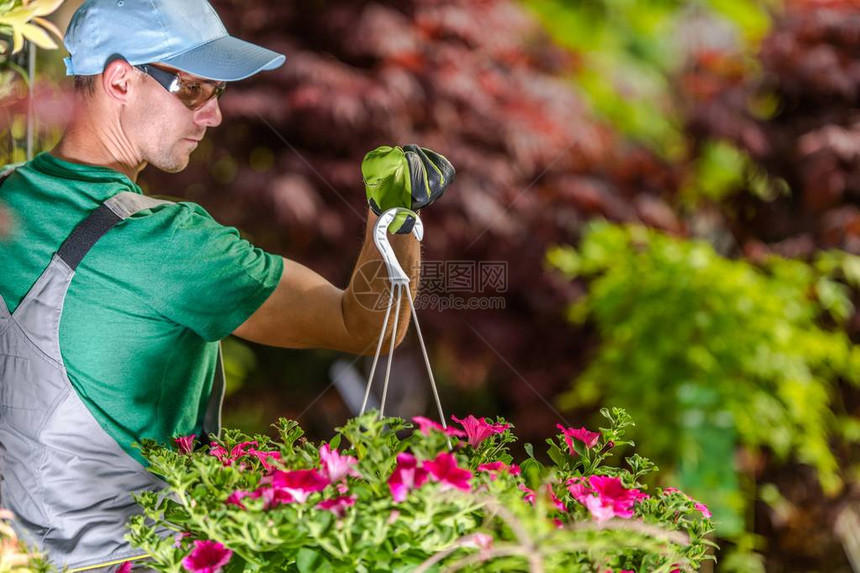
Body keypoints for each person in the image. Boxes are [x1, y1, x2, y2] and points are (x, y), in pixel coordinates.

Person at [0, 0, 454, 570]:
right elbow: (368, 324)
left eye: (217, 92)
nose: (213, 115)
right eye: (192, 89)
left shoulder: (7, 198)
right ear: (120, 79)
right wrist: (394, 211)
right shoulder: (169, 242)